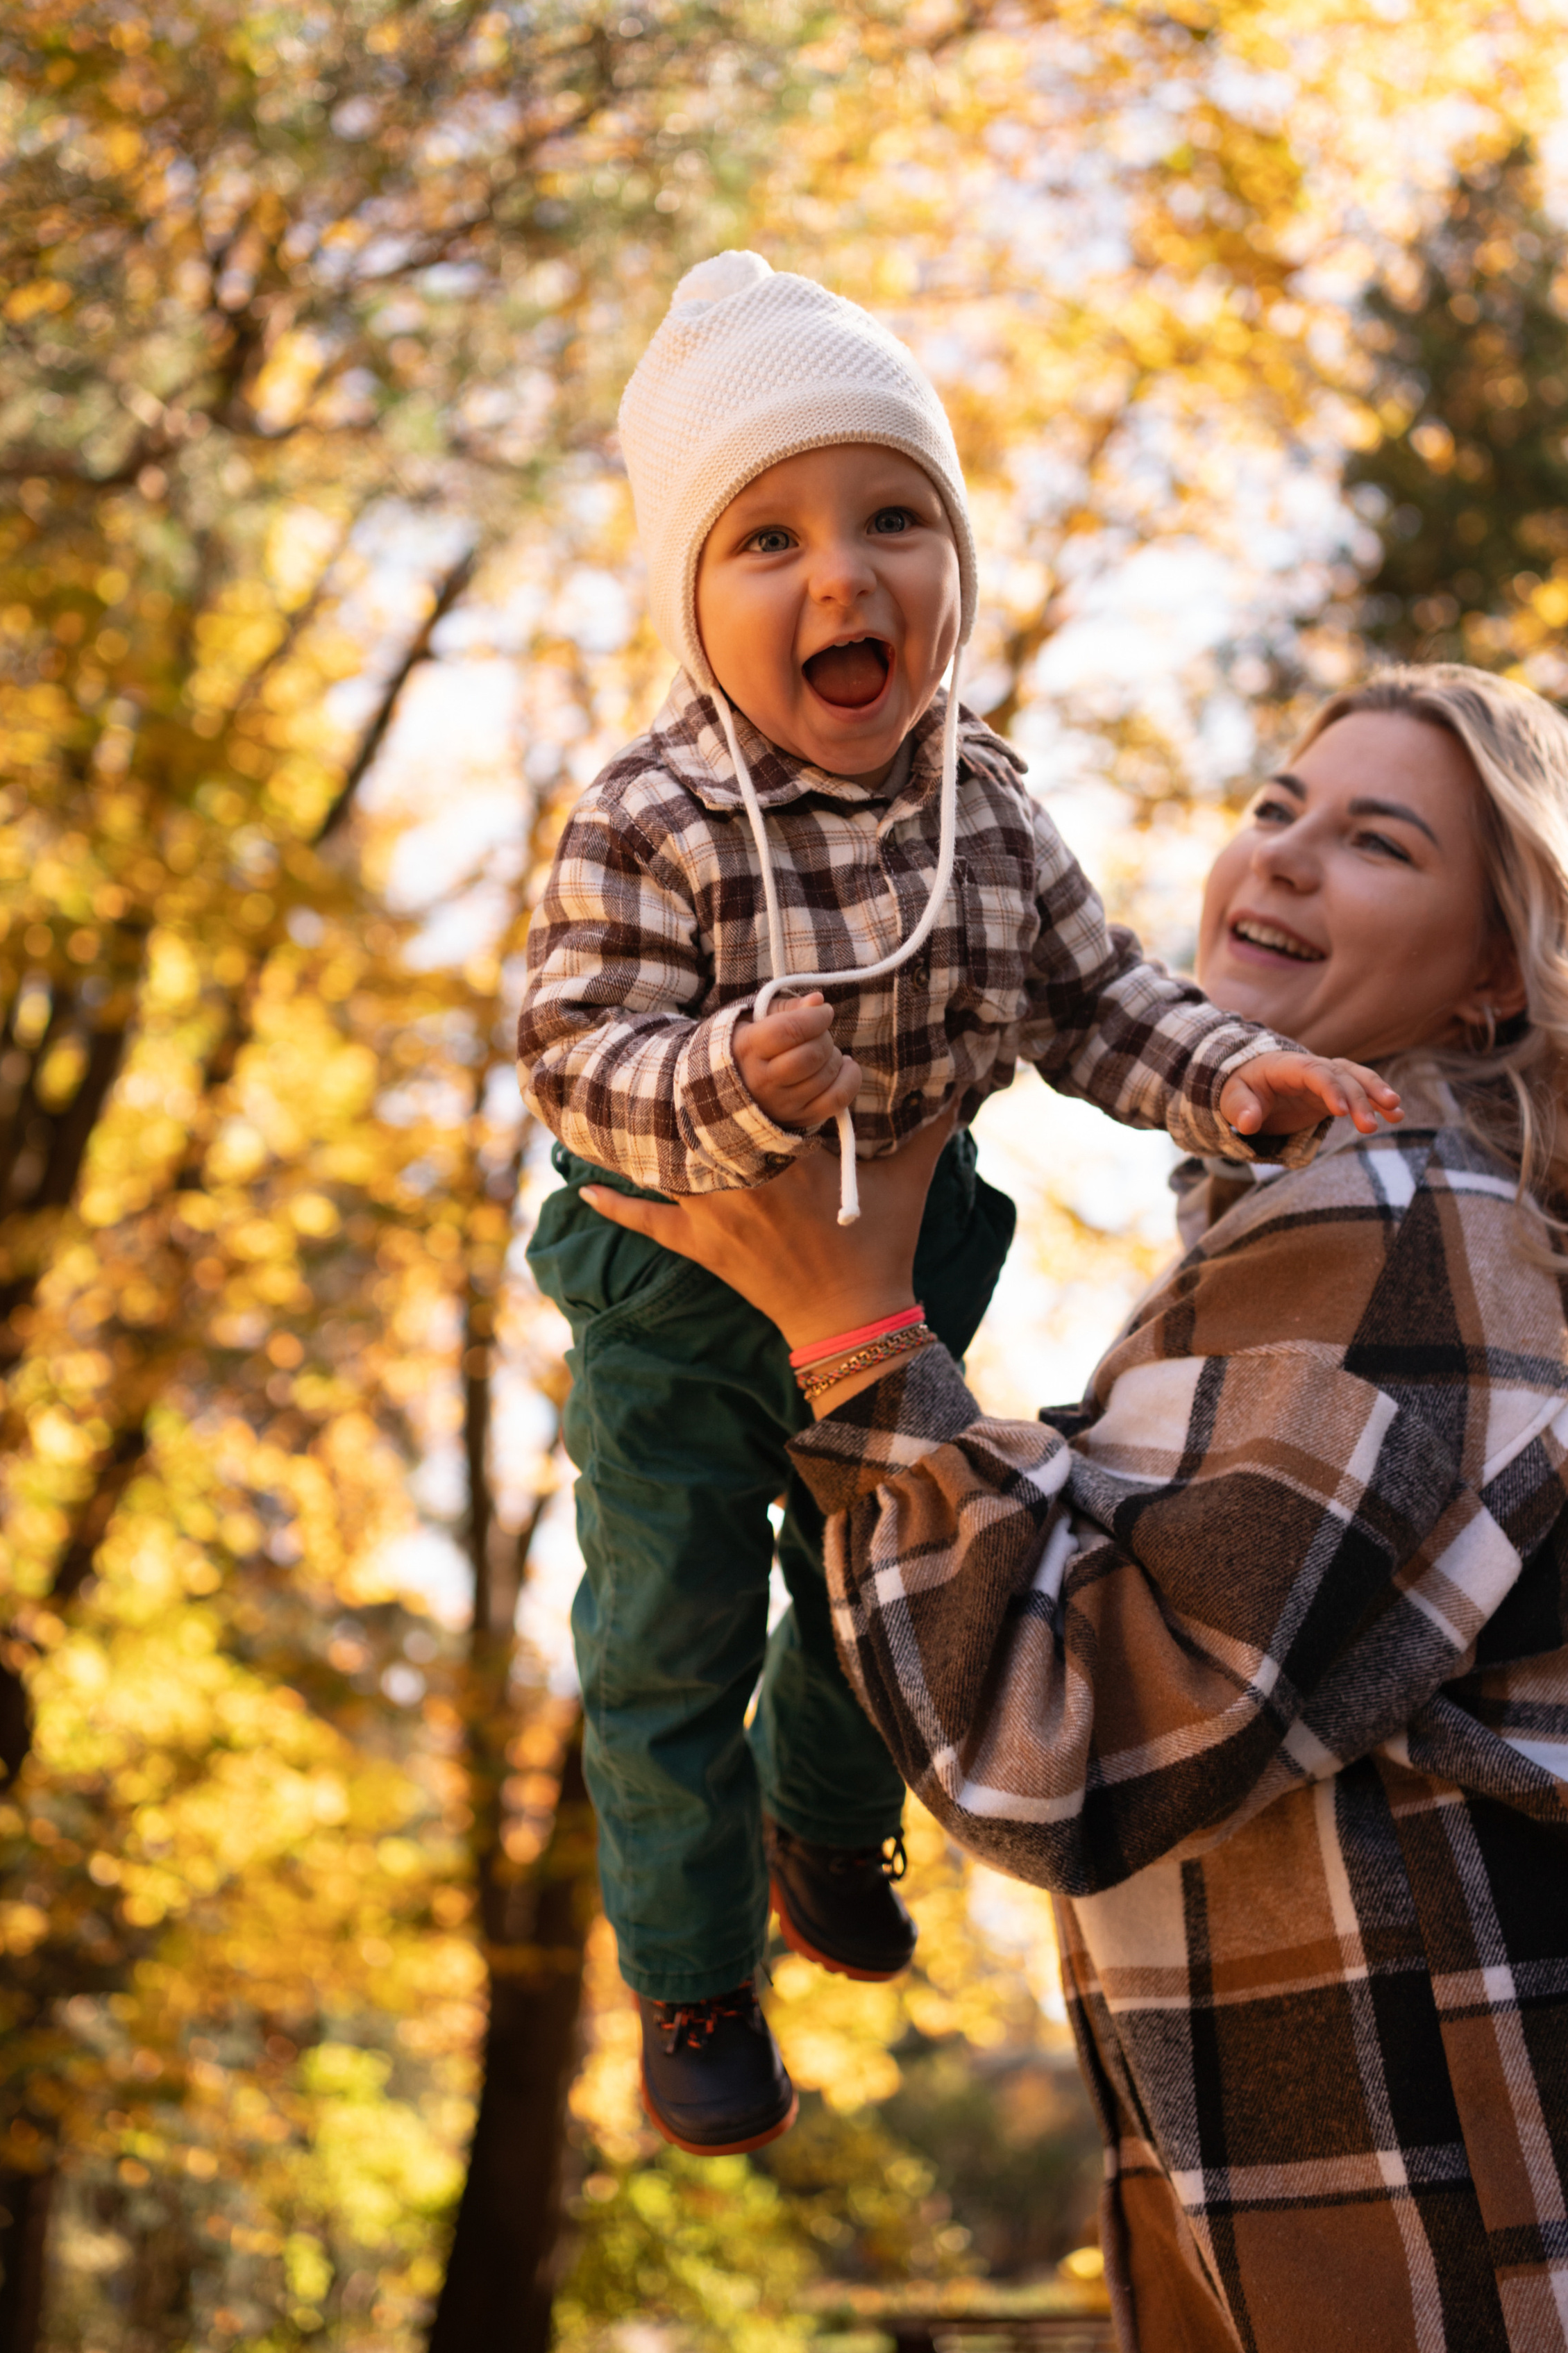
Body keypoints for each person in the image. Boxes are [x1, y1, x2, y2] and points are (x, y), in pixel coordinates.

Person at [582, 664, 1568, 2351]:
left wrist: (854, 1338)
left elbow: (1062, 1748)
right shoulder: (1322, 1233)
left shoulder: (1408, 1220)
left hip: (1522, 2258)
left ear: (1492, 979)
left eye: (1374, 842)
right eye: (1275, 809)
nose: (1279, 859)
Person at [518, 249, 1398, 2156]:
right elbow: (570, 1043)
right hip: (678, 1283)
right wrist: (715, 1078)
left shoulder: (983, 808)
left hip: (904, 1262)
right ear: (691, 601)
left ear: (952, 571)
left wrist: (1233, 1082)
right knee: (664, 1642)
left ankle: (827, 1824)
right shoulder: (650, 811)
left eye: (892, 517)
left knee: (875, 1587)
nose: (843, 574)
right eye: (768, 542)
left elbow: (1095, 997)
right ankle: (687, 1980)